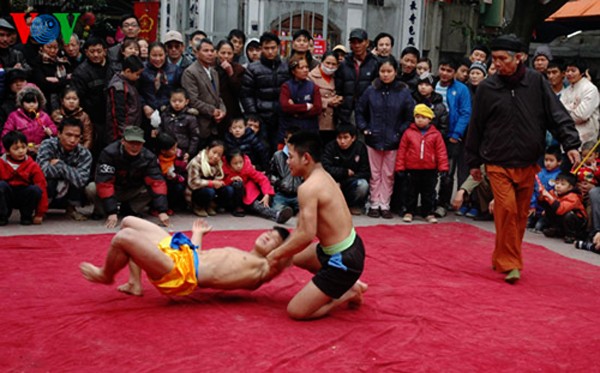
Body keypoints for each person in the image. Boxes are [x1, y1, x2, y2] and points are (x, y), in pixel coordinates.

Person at [465, 34, 581, 284]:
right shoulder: (487, 88)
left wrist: (571, 143)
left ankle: (501, 256)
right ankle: (512, 263)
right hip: (497, 161)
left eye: (502, 59)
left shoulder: (536, 83)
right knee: (505, 209)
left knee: (518, 215)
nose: (496, 64)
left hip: (528, 161)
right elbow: (476, 126)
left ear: (519, 58)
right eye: (493, 59)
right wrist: (473, 162)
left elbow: (556, 115)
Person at [266, 131, 367, 320]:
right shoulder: (324, 175)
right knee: (291, 258)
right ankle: (346, 284)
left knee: (296, 311)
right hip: (349, 248)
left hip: (343, 261)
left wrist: (275, 253)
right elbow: (302, 230)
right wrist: (281, 253)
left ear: (306, 158)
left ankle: (348, 293)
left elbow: (306, 235)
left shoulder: (308, 188)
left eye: (291, 157)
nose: (287, 162)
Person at [80, 216, 291, 297]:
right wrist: (197, 235)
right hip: (184, 254)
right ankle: (134, 283)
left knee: (124, 237)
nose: (267, 237)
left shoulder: (262, 268)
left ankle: (105, 274)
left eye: (274, 240)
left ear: (279, 253)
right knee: (128, 222)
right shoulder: (243, 255)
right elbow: (197, 256)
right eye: (269, 233)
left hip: (180, 273)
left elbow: (292, 250)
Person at [356, 56, 414, 219]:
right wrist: (364, 128)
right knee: (374, 174)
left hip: (394, 140)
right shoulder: (371, 89)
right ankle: (374, 203)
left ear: (395, 72)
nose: (386, 75)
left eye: (389, 71)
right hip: (373, 138)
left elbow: (409, 116)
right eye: (382, 71)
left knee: (388, 174)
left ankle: (385, 204)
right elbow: (360, 110)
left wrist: (399, 132)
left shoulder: (403, 91)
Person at [87, 126, 170, 228]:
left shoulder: (149, 157)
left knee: (152, 189)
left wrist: (162, 211)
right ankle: (104, 211)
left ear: (143, 144)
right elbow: (105, 183)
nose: (134, 146)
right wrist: (112, 211)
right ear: (123, 141)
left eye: (138, 143)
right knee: (91, 188)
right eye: (131, 143)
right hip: (114, 189)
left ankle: (130, 210)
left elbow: (157, 183)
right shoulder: (108, 153)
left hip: (133, 190)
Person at [395, 104, 448, 224]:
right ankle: (409, 211)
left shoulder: (436, 135)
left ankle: (428, 212)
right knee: (410, 191)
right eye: (417, 116)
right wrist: (400, 166)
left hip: (430, 169)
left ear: (429, 119)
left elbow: (441, 152)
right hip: (412, 168)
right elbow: (402, 150)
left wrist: (443, 168)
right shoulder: (408, 133)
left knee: (428, 192)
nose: (420, 119)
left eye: (423, 117)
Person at [434, 57, 472, 217]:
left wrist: (456, 134)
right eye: (442, 69)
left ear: (455, 73)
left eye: (449, 71)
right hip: (431, 134)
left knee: (447, 172)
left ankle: (443, 203)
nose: (444, 73)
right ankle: (429, 202)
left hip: (451, 136)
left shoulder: (461, 89)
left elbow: (465, 112)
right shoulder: (431, 84)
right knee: (429, 170)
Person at [240, 32, 289, 152]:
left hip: (281, 116)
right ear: (261, 49)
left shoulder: (286, 67)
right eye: (266, 48)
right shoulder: (253, 68)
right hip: (261, 116)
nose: (270, 51)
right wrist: (253, 114)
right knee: (262, 149)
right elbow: (246, 94)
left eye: (273, 48)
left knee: (280, 148)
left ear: (278, 47)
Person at [37, 117, 93, 221]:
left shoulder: (84, 153)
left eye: (77, 136)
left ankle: (71, 209)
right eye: (68, 135)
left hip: (70, 189)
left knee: (78, 183)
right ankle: (41, 209)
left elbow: (81, 181)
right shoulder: (47, 145)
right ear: (59, 133)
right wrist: (72, 171)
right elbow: (42, 172)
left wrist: (60, 164)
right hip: (49, 187)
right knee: (45, 180)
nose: (72, 140)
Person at [223, 148, 294, 222]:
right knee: (237, 183)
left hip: (247, 197)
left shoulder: (247, 168)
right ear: (229, 164)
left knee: (258, 206)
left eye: (241, 162)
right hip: (232, 200)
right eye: (235, 163)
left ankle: (277, 215)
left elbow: (262, 179)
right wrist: (230, 179)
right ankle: (237, 207)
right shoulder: (223, 170)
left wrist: (266, 194)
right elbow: (219, 183)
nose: (239, 165)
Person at [182, 38, 227, 145]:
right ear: (197, 53)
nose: (210, 54)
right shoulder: (190, 72)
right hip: (199, 124)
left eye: (212, 51)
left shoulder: (214, 72)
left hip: (215, 125)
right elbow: (192, 100)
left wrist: (222, 110)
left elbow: (217, 96)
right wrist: (213, 111)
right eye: (206, 51)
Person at [71, 37, 110, 156]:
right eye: (92, 52)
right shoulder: (80, 72)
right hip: (94, 120)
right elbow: (79, 98)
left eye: (99, 51)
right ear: (86, 52)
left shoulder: (114, 67)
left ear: (105, 51)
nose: (96, 55)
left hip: (112, 117)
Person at [0, 130, 47, 225]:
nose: (21, 151)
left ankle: (26, 216)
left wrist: (40, 214)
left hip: (24, 194)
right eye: (16, 149)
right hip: (7, 194)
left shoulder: (33, 165)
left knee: (36, 190)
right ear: (8, 151)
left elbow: (42, 187)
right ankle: (2, 216)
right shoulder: (1, 163)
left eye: (23, 147)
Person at [322, 124, 370, 216]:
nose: (342, 141)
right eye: (339, 138)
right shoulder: (330, 147)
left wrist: (344, 182)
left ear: (353, 138)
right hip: (333, 182)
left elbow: (365, 172)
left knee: (363, 185)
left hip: (351, 183)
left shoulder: (360, 148)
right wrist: (344, 172)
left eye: (345, 137)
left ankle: (353, 205)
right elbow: (325, 168)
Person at [334, 28, 378, 127]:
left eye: (360, 42)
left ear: (367, 43)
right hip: (346, 112)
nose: (357, 45)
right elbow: (338, 88)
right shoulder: (344, 64)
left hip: (368, 112)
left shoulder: (375, 63)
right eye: (353, 42)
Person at [139, 42, 182, 139]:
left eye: (160, 55)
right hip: (147, 113)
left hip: (169, 113)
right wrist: (144, 105)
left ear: (166, 54)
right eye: (154, 55)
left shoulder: (175, 70)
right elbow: (136, 91)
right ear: (148, 55)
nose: (157, 59)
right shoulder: (142, 69)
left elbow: (180, 91)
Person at [1, 84, 57, 155]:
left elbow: (54, 129)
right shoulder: (14, 116)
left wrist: (51, 131)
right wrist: (5, 152)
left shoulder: (44, 116)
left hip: (40, 151)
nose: (31, 105)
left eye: (34, 102)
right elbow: (6, 134)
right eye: (28, 102)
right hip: (20, 152)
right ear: (22, 103)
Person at [279, 55, 322, 144]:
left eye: (306, 67)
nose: (305, 70)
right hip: (291, 129)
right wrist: (306, 106)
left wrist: (296, 111)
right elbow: (285, 107)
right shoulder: (286, 86)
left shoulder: (313, 87)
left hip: (310, 130)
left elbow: (317, 108)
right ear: (293, 71)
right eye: (301, 68)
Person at [186, 140, 233, 217]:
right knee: (209, 192)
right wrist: (211, 183)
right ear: (208, 150)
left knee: (229, 190)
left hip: (211, 187)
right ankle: (198, 206)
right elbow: (193, 182)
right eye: (214, 152)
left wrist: (219, 183)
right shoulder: (196, 162)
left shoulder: (219, 163)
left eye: (219, 155)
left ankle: (211, 205)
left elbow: (220, 177)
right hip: (195, 191)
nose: (216, 156)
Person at [537, 172, 587, 244]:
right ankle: (557, 229)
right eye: (557, 183)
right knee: (548, 207)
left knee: (568, 215)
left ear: (570, 187)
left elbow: (561, 209)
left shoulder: (573, 197)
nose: (558, 186)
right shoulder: (554, 192)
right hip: (561, 218)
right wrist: (542, 195)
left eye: (562, 184)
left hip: (577, 222)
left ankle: (571, 235)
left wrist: (548, 196)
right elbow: (543, 203)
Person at [560, 58, 600, 146]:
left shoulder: (590, 89)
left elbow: (581, 115)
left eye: (573, 70)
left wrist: (566, 112)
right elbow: (558, 113)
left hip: (585, 141)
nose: (569, 73)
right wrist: (572, 109)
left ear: (581, 72)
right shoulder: (566, 91)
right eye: (567, 71)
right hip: (567, 139)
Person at [106, 55, 144, 144]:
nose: (138, 77)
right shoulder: (118, 87)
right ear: (127, 71)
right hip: (121, 133)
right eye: (137, 74)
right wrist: (123, 134)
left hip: (132, 128)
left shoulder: (130, 83)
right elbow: (117, 114)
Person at [308, 51, 343, 146]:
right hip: (317, 121)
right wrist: (327, 102)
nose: (330, 67)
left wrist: (339, 99)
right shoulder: (311, 77)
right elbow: (308, 97)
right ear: (321, 62)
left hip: (333, 122)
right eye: (328, 63)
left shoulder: (338, 77)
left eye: (333, 64)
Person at [158, 88, 201, 159]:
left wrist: (190, 152)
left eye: (180, 101)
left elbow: (194, 137)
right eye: (174, 101)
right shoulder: (165, 114)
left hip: (183, 150)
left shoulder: (190, 117)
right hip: (167, 150)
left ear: (186, 101)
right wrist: (157, 131)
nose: (177, 103)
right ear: (169, 100)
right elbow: (161, 128)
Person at [527, 146, 562, 233]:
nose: (548, 163)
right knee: (526, 224)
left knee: (538, 227)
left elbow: (557, 196)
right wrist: (532, 205)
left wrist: (548, 210)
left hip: (547, 210)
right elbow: (533, 190)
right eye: (546, 160)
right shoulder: (539, 172)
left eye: (551, 160)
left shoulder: (560, 176)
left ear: (559, 162)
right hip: (535, 207)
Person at [30, 38, 71, 112]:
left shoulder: (63, 61)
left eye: (55, 47)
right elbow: (43, 84)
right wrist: (63, 80)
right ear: (41, 48)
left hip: (65, 98)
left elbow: (71, 79)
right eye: (49, 47)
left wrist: (57, 80)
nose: (52, 50)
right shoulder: (37, 62)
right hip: (45, 100)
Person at [269, 126, 302, 213]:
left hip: (299, 194)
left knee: (306, 207)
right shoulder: (277, 155)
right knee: (277, 207)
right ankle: (285, 211)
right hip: (282, 193)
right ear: (285, 140)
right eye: (290, 140)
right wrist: (279, 183)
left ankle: (295, 209)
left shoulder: (303, 156)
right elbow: (271, 174)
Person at [215, 39, 245, 124]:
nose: (226, 56)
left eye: (229, 53)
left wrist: (231, 74)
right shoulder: (212, 69)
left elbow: (239, 91)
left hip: (233, 110)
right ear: (217, 53)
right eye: (223, 53)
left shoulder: (239, 69)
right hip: (217, 109)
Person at [155, 132, 186, 213]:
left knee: (178, 187)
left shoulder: (179, 156)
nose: (175, 150)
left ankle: (170, 206)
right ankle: (156, 207)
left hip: (175, 181)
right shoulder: (156, 160)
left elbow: (183, 173)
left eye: (176, 147)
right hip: (160, 182)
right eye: (172, 149)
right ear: (163, 151)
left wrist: (175, 177)